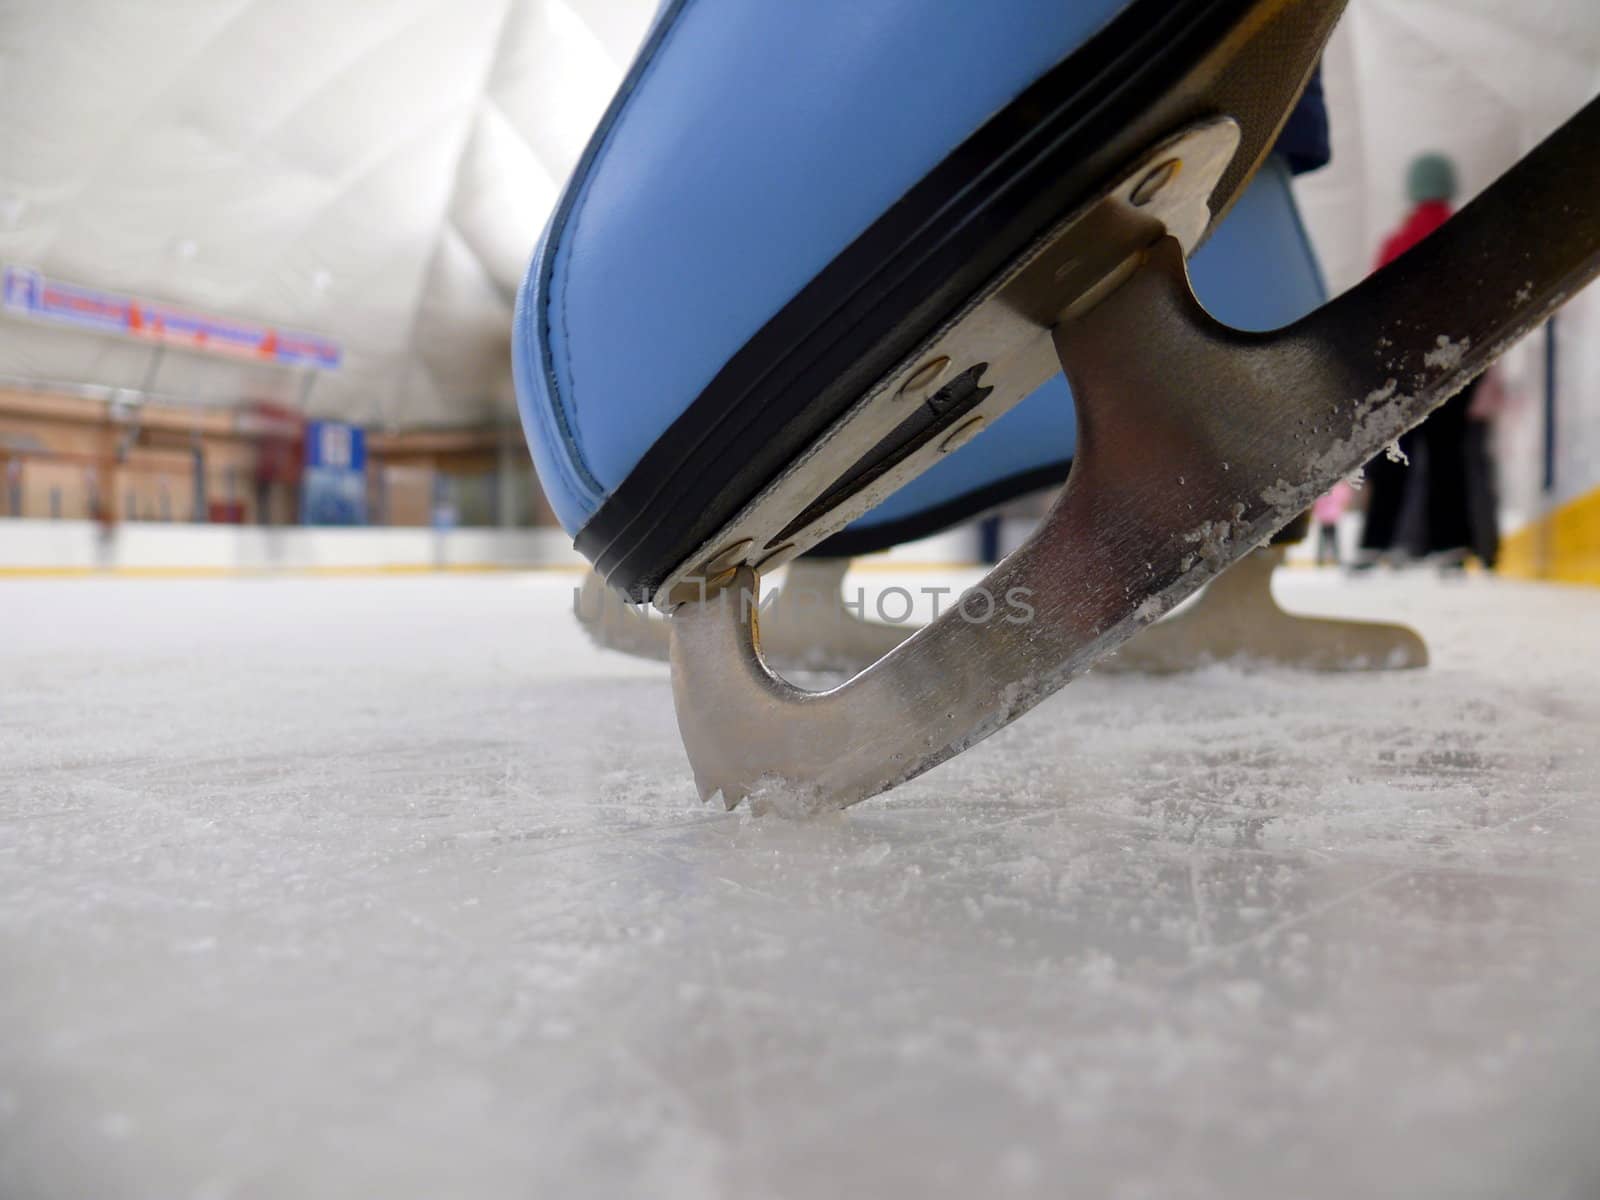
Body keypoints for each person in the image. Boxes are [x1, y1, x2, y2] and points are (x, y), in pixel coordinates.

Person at [1358, 152, 1495, 570]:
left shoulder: (1397, 242)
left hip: (1404, 365)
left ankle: (1375, 544)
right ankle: (1449, 547)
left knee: (1395, 453)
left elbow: (1376, 309)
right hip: (1458, 363)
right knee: (1447, 454)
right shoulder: (1470, 239)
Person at [1312, 478, 1353, 565]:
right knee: (1333, 539)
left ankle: (1321, 558)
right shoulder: (1339, 488)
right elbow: (1345, 499)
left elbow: (1317, 503)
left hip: (1324, 517)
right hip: (1332, 517)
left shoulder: (1324, 489)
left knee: (1324, 539)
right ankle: (1335, 557)